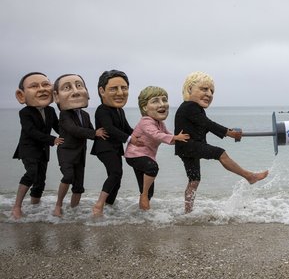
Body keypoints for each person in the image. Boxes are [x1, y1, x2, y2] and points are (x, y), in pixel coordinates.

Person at [175, 71, 269, 213]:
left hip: (186, 148)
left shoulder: (195, 109)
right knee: (221, 153)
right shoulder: (189, 106)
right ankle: (250, 176)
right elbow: (208, 124)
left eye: (212, 91)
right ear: (189, 89)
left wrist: (229, 132)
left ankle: (187, 212)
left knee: (194, 181)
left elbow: (205, 126)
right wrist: (229, 133)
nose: (209, 94)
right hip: (190, 145)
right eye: (204, 89)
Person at [124, 86, 190, 210]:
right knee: (152, 168)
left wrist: (182, 140)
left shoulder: (160, 123)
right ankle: (143, 196)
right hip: (134, 155)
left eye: (164, 100)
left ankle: (143, 213)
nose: (162, 104)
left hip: (145, 156)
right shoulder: (146, 121)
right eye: (155, 101)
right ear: (144, 107)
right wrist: (175, 138)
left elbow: (168, 136)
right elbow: (157, 135)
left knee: (149, 190)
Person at [52, 74, 108, 217]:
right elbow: (74, 130)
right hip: (66, 151)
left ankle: (73, 211)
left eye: (79, 86)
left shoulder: (85, 115)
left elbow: (90, 131)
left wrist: (102, 137)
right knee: (68, 176)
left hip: (80, 152)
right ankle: (58, 205)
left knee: (78, 185)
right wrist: (94, 133)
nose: (76, 91)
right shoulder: (64, 114)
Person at [11, 72, 63, 219]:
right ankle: (17, 207)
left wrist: (72, 133)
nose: (41, 89)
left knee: (40, 180)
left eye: (46, 84)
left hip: (43, 150)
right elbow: (31, 131)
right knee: (31, 174)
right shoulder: (25, 112)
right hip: (28, 149)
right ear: (22, 95)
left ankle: (35, 207)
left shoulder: (50, 110)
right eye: (34, 86)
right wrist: (52, 140)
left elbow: (58, 127)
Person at [91, 70, 142, 216]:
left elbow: (127, 128)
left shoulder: (120, 110)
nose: (120, 92)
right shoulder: (102, 110)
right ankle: (98, 206)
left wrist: (143, 134)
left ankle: (109, 206)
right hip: (104, 147)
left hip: (115, 148)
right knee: (115, 173)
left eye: (124, 88)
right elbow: (109, 128)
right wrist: (130, 139)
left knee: (117, 179)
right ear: (102, 91)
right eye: (114, 88)